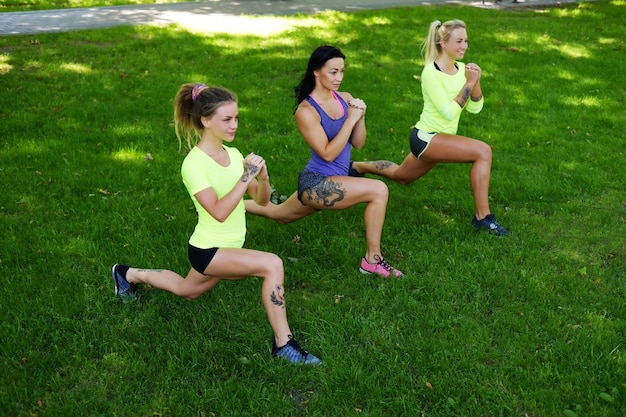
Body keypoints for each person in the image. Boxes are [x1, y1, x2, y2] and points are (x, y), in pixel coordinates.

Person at [110, 84, 321, 365]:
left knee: (188, 290)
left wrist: (263, 178)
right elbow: (219, 212)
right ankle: (284, 344)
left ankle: (127, 274)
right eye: (227, 119)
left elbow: (260, 201)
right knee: (273, 264)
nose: (234, 125)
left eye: (236, 118)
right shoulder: (194, 164)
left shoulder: (234, 155)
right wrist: (246, 177)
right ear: (205, 121)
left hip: (229, 247)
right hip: (208, 250)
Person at [245, 45, 404, 278]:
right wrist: (350, 120)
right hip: (315, 182)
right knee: (378, 189)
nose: (339, 77)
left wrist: (360, 118)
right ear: (316, 72)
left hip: (336, 179)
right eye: (333, 72)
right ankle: (372, 261)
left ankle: (234, 207)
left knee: (279, 215)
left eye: (342, 71)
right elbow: (327, 154)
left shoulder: (345, 98)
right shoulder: (307, 111)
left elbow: (358, 143)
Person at [349, 19, 509, 236]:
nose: (465, 46)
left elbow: (475, 109)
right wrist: (468, 84)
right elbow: (449, 112)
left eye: (466, 41)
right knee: (483, 151)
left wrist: (476, 81)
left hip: (441, 140)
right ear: (443, 42)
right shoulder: (430, 73)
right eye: (459, 41)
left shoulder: (463, 69)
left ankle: (359, 166)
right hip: (426, 138)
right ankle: (482, 217)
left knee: (401, 176)